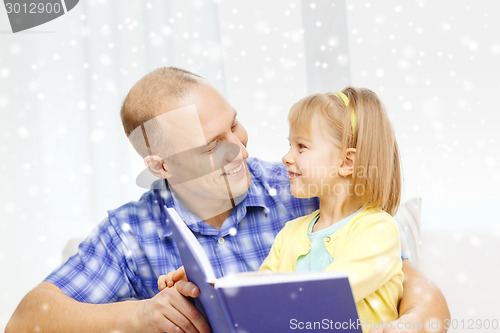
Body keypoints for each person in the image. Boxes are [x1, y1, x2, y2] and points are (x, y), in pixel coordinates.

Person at [6, 67, 450, 333]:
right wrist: (140, 316)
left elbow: (415, 288)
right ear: (162, 167)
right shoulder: (129, 233)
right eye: (210, 146)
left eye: (234, 126)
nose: (239, 149)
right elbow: (25, 322)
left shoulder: (300, 187)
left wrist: (413, 322)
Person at [160, 87, 402, 331]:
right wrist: (206, 289)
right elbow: (259, 294)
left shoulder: (379, 230)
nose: (286, 157)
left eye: (301, 146)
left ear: (347, 163)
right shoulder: (291, 232)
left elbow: (326, 297)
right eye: (289, 145)